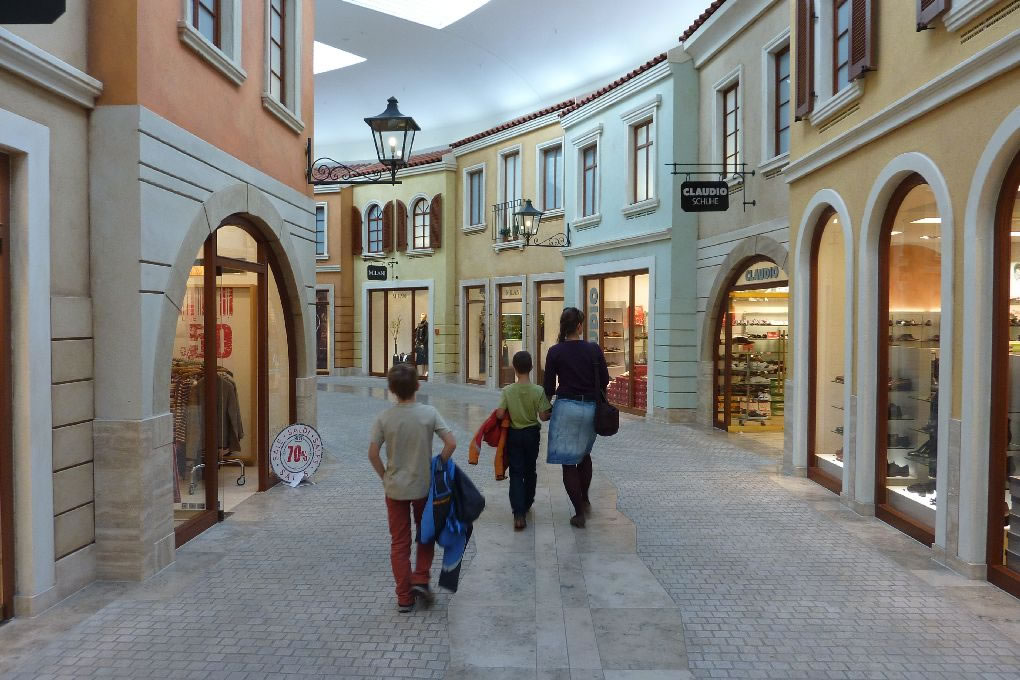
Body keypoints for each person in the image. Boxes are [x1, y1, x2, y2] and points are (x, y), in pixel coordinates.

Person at [368, 363, 456, 612]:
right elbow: (451, 443)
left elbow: (372, 453)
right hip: (423, 487)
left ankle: (404, 597)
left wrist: (385, 476)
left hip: (395, 489)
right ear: (418, 385)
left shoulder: (385, 418)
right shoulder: (429, 413)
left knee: (399, 542)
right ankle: (420, 577)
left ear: (391, 389)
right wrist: (438, 465)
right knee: (425, 535)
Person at [543, 307, 609, 528]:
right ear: (580, 326)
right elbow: (605, 380)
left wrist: (544, 409)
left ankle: (579, 512)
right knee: (584, 455)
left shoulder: (555, 351)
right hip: (590, 408)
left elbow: (548, 387)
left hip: (565, 408)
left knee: (568, 463)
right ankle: (585, 498)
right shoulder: (593, 349)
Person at [495, 350, 552, 531]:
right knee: (530, 470)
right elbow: (543, 416)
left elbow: (499, 414)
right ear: (531, 367)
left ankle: (518, 514)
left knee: (516, 473)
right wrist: (552, 412)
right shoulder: (538, 391)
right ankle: (527, 503)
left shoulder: (508, 390)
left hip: (514, 435)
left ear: (514, 367)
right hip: (532, 435)